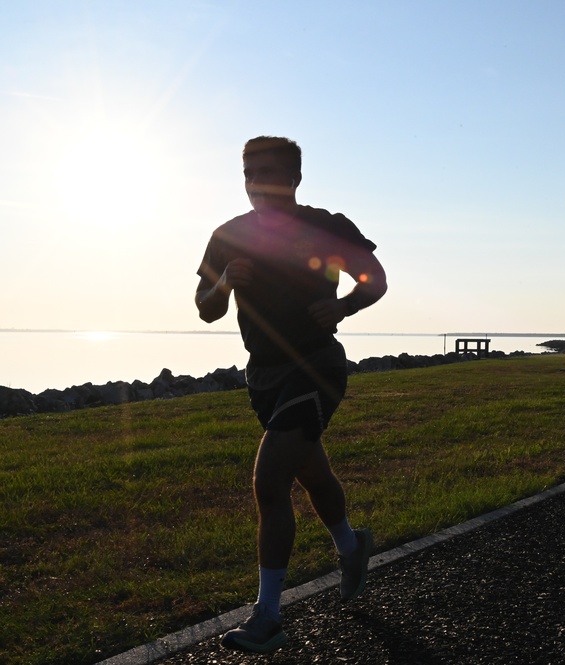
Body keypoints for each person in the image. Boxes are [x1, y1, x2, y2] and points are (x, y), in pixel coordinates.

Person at [195, 136, 388, 654]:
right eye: (250, 172)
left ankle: (268, 617)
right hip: (263, 377)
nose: (258, 181)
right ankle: (351, 546)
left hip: (317, 366)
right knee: (314, 475)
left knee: (269, 480)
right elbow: (204, 309)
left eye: (270, 172)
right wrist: (224, 286)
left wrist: (344, 308)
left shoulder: (327, 225)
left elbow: (375, 279)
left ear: (296, 179)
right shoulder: (227, 236)